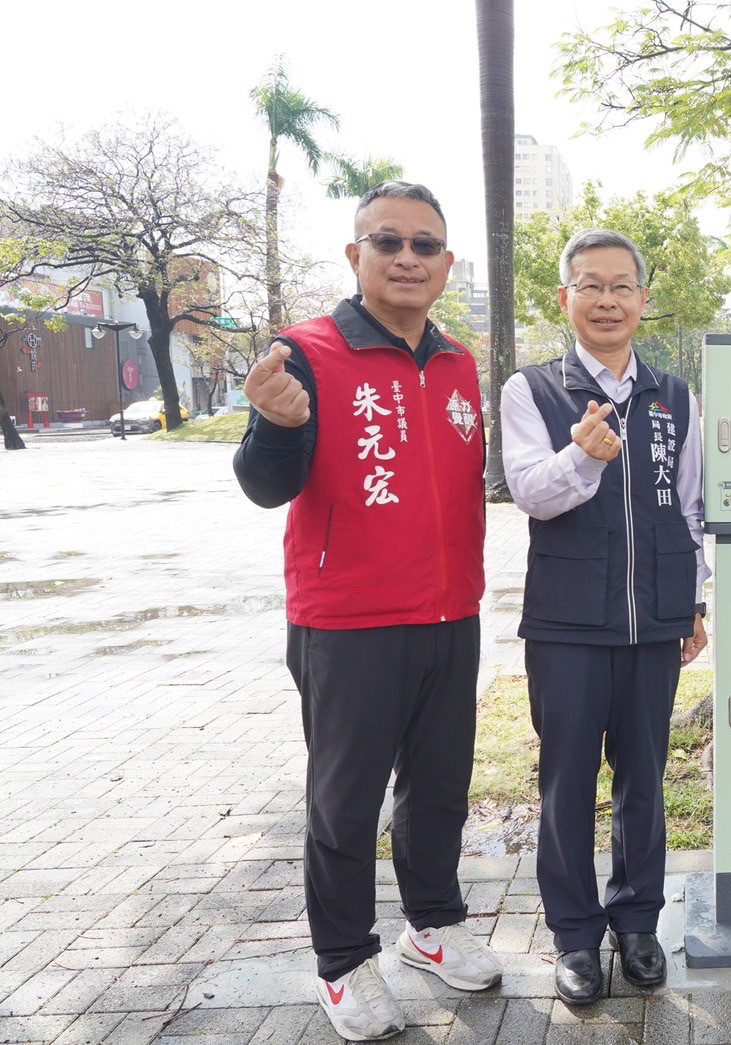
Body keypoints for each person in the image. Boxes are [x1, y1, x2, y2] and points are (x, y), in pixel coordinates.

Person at [233, 181, 503, 1040]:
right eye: (388, 241)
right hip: (347, 623)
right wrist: (274, 426)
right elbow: (264, 485)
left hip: (450, 614)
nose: (407, 257)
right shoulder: (306, 352)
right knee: (345, 804)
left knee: (440, 787)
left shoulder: (458, 361)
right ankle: (344, 962)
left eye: (425, 245)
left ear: (446, 263)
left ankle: (433, 927)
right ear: (356, 256)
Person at [500, 229, 709, 1006]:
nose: (607, 300)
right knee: (566, 784)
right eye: (590, 285)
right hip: (566, 623)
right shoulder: (531, 390)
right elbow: (530, 492)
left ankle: (638, 921)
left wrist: (692, 601)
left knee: (644, 780)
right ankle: (576, 937)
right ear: (566, 299)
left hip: (654, 621)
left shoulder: (674, 395)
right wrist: (583, 455)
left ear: (643, 300)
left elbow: (689, 507)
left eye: (622, 286)